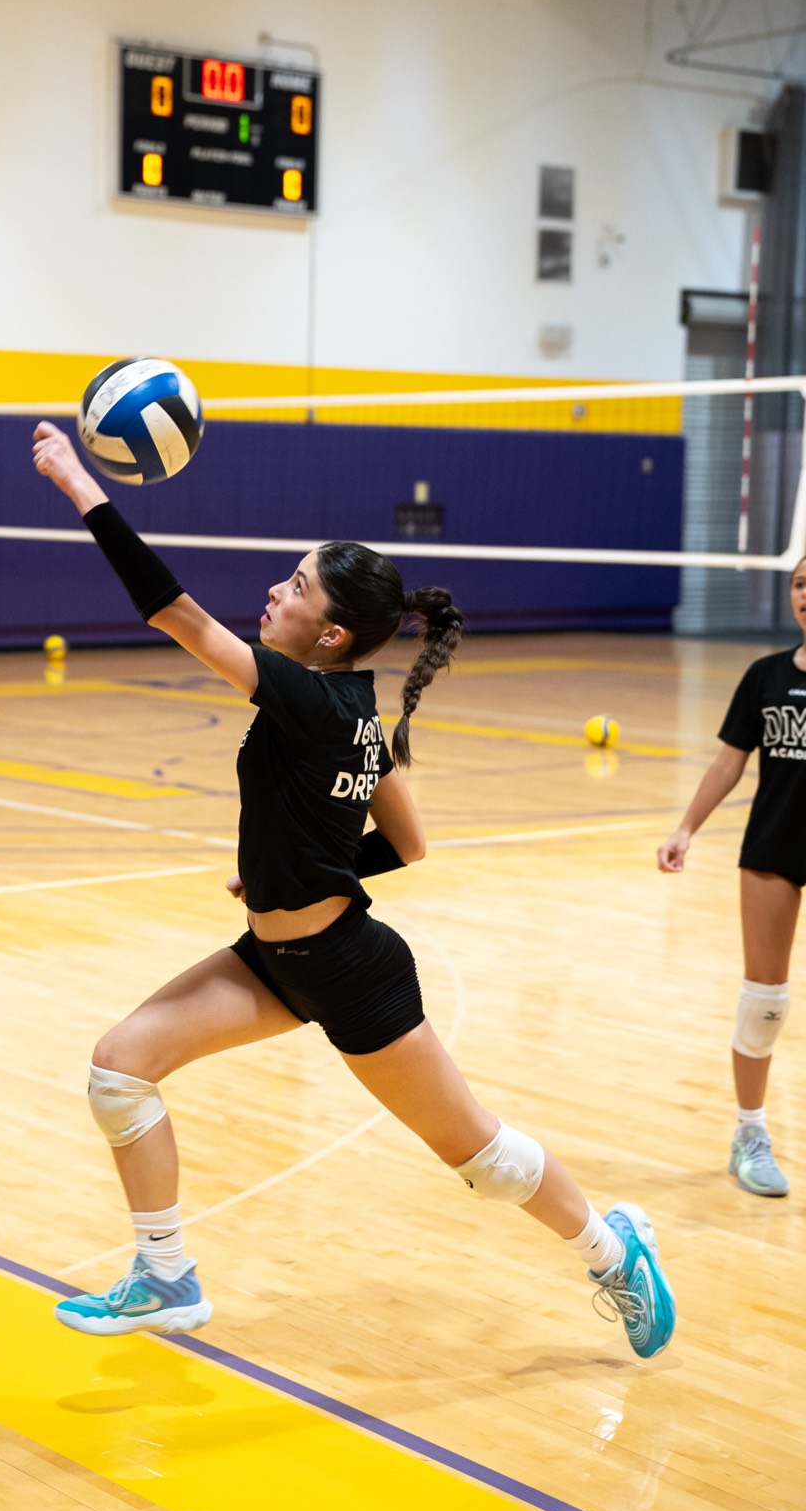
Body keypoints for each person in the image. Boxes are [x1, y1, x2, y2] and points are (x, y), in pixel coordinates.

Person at [33, 420, 676, 1357]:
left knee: (480, 1160)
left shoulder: (308, 696)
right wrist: (295, 870)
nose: (272, 592)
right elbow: (407, 844)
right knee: (119, 1068)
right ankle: (165, 1278)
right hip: (277, 957)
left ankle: (614, 1251)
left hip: (348, 971)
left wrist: (79, 485)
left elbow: (174, 614)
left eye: (292, 587)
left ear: (329, 631)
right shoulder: (352, 706)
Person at [656, 555, 806, 1198]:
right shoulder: (765, 676)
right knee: (764, 1003)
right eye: (801, 584)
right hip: (775, 845)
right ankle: (749, 1135)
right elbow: (728, 764)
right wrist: (686, 827)